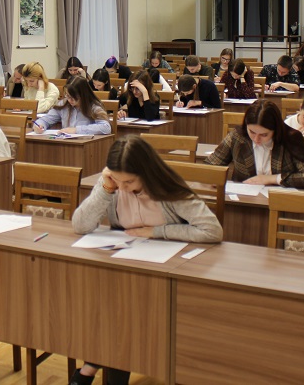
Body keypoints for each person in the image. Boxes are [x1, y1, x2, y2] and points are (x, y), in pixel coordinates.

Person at [69, 136, 223, 385]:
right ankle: (95, 367)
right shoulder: (113, 183)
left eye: (129, 182)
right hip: (126, 265)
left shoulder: (169, 189)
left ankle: (90, 367)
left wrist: (157, 232)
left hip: (167, 272)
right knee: (111, 304)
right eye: (117, 180)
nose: (122, 187)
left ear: (146, 173)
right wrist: (106, 188)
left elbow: (212, 230)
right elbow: (80, 225)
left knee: (124, 310)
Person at [205, 100, 304, 189]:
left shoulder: (291, 139)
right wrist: (213, 177)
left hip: (280, 202)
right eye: (252, 132)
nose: (256, 139)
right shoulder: (238, 136)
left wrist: (272, 179)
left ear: (275, 130)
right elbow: (211, 164)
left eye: (264, 134)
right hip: (243, 201)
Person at [32, 77, 110, 135]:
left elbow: (106, 127)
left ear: (83, 95)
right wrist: (39, 125)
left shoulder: (94, 106)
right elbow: (46, 119)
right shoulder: (64, 104)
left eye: (74, 97)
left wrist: (76, 130)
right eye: (67, 96)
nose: (70, 100)